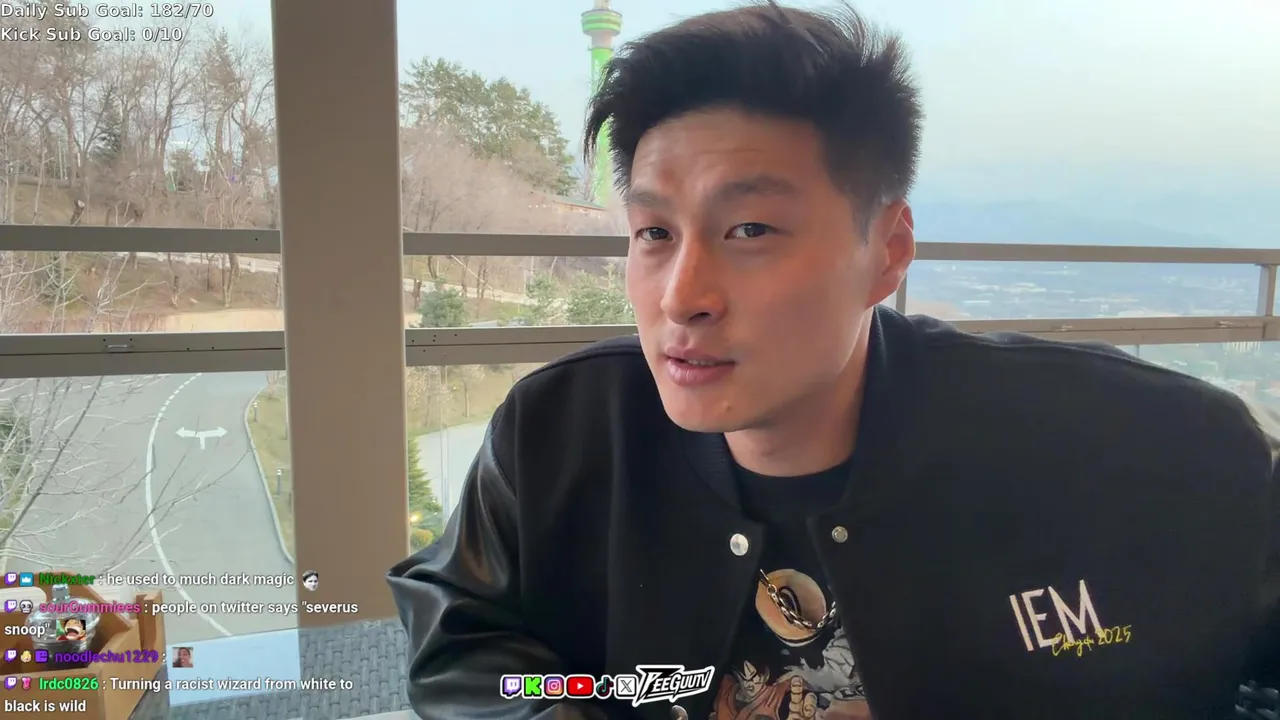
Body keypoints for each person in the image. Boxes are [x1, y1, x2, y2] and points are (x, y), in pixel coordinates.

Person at [388, 2, 1280, 719]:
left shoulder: (1151, 448)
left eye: (750, 229)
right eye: (654, 232)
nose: (682, 295)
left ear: (888, 252)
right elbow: (462, 635)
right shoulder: (563, 433)